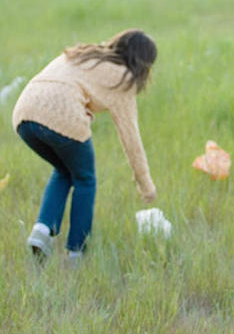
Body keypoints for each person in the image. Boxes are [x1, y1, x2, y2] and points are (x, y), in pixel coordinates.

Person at [12, 29, 157, 260]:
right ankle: (76, 252)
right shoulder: (123, 77)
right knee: (85, 179)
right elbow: (131, 138)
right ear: (143, 63)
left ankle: (42, 230)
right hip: (63, 117)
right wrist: (146, 185)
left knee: (64, 170)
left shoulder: (82, 54)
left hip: (24, 115)